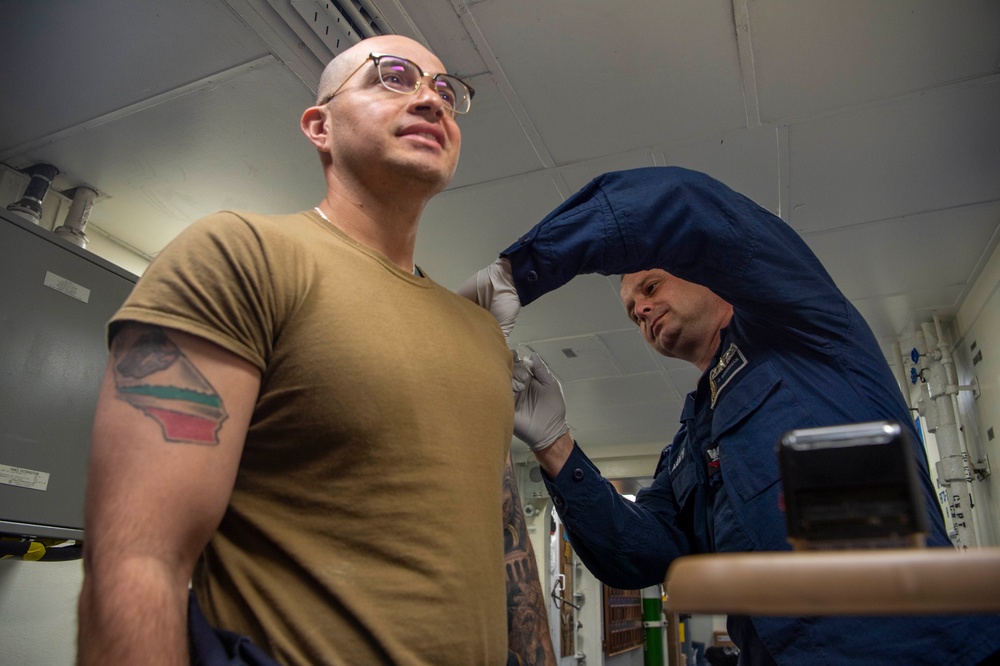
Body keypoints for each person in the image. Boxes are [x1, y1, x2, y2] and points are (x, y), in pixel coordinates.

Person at [77, 35, 555, 666]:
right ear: (319, 126)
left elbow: (508, 555)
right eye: (392, 77)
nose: (430, 100)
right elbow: (138, 559)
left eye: (445, 91)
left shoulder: (482, 336)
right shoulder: (238, 255)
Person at [461, 166, 1000, 665]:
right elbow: (639, 556)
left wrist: (519, 273)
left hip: (920, 648)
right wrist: (555, 445)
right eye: (631, 312)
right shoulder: (688, 443)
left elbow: (691, 212)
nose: (641, 310)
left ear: (707, 276)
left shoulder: (801, 329)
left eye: (650, 287)